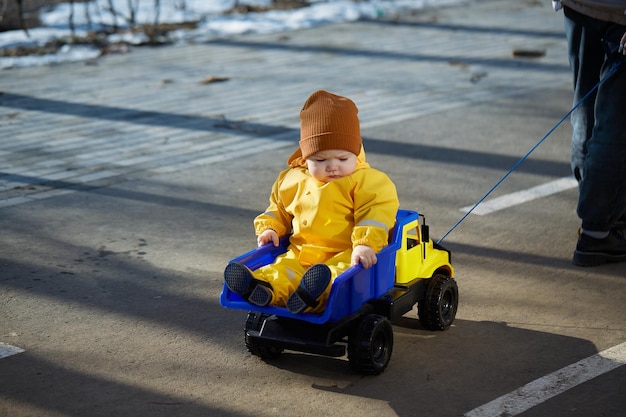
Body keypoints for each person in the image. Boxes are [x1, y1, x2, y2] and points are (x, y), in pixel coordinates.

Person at [224, 90, 399, 314]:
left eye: (343, 158)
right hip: (301, 251)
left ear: (356, 153)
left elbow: (376, 213)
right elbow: (277, 208)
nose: (333, 166)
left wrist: (365, 243)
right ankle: (263, 287)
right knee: (284, 268)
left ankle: (312, 295)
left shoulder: (369, 181)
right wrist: (270, 228)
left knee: (340, 274)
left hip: (346, 250)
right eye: (321, 159)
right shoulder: (291, 179)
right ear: (306, 157)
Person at [553, 0, 626, 266]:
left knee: (585, 109)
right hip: (618, 16)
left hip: (580, 5)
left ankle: (603, 211)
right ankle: (597, 230)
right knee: (616, 126)